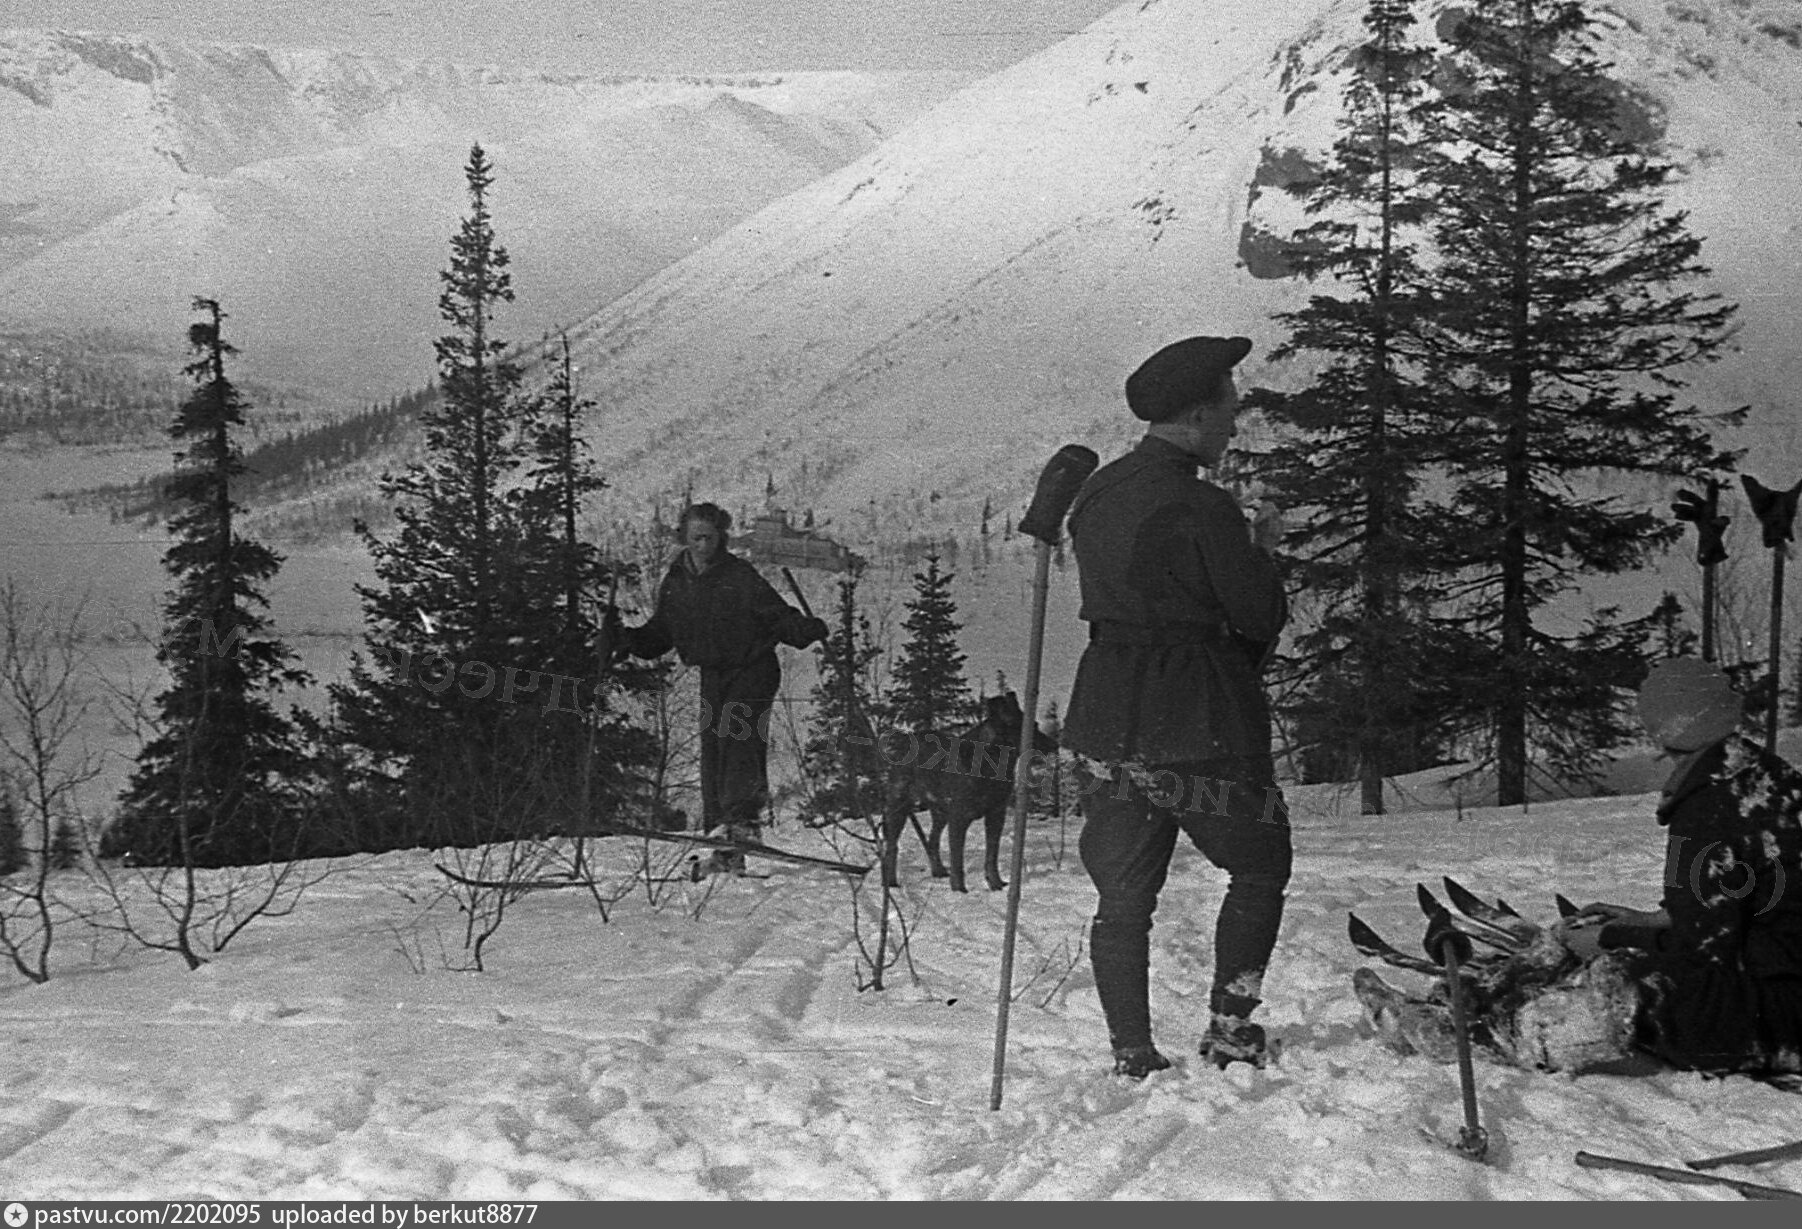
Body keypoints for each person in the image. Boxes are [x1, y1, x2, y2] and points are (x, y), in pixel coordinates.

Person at [1357, 656, 1802, 1080]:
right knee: (1596, 938)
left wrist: (1611, 940)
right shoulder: (1763, 779)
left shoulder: (1711, 807)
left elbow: (1701, 954)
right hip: (1777, 991)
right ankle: (1481, 998)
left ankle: (1481, 1036)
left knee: (1619, 980)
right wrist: (1651, 920)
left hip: (1770, 1018)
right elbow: (1751, 897)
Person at [1060, 335, 1292, 1077]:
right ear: (1195, 415)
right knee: (1259, 864)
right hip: (1200, 718)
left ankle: (1131, 1048)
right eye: (1227, 410)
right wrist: (1261, 551)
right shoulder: (1204, 505)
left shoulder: (1096, 492)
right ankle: (1230, 1028)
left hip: (1105, 710)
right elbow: (1257, 614)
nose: (1232, 425)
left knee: (1123, 895)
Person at [608, 502, 828, 871]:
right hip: (713, 672)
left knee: (737, 739)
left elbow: (776, 615)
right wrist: (626, 640)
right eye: (696, 538)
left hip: (752, 667)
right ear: (684, 536)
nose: (703, 545)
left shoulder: (738, 575)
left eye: (710, 538)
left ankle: (743, 823)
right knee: (713, 751)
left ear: (721, 537)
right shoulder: (677, 582)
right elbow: (661, 633)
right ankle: (720, 838)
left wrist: (804, 629)